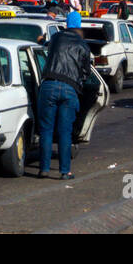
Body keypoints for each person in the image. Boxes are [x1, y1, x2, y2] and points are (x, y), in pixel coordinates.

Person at [37, 10, 93, 180]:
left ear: (67, 24)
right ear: (79, 25)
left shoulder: (56, 37)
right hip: (70, 89)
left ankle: (44, 169)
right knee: (65, 132)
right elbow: (86, 72)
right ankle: (64, 171)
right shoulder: (83, 46)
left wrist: (40, 40)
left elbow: (45, 45)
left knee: (46, 130)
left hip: (49, 85)